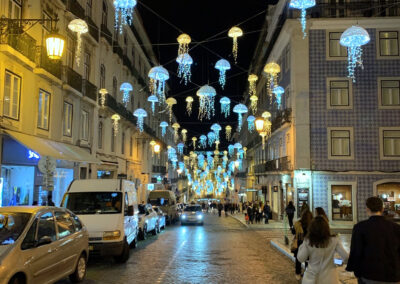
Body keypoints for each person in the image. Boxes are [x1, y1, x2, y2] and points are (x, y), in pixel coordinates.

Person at [346, 197, 400, 283]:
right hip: (392, 274)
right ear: (382, 209)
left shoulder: (360, 227)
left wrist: (354, 270)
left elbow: (356, 251)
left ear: (367, 209)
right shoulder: (396, 227)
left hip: (368, 274)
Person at [297, 216, 349, 283]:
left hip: (312, 278)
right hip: (330, 278)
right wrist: (336, 262)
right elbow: (346, 257)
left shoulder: (308, 241)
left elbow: (301, 258)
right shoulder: (334, 240)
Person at [293, 210, 313, 280]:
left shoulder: (298, 223)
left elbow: (293, 231)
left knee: (298, 259)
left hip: (299, 243)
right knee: (308, 260)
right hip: (309, 243)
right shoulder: (312, 224)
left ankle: (297, 273)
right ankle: (307, 273)